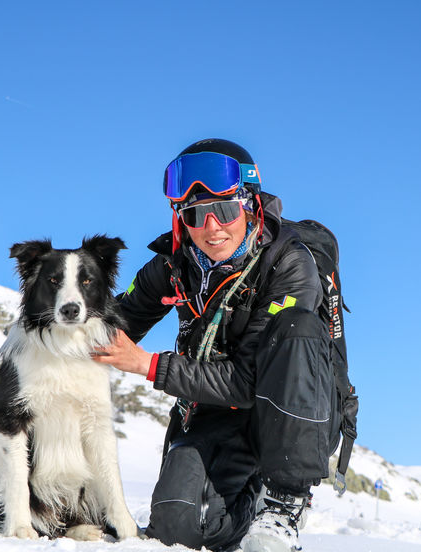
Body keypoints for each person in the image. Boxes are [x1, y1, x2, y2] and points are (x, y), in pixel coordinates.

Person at [93, 138, 339, 552]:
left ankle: (282, 505)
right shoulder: (176, 262)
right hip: (213, 414)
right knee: (175, 527)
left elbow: (247, 382)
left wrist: (149, 366)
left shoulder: (290, 265)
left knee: (296, 327)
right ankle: (249, 506)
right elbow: (116, 323)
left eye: (223, 210)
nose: (211, 228)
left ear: (249, 205)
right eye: (194, 214)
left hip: (283, 415)